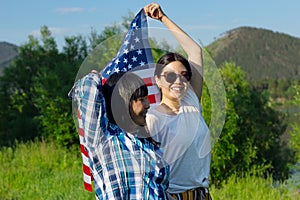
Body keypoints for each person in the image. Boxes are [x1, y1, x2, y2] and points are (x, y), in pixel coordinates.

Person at [144, 3, 212, 200]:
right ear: (157, 80)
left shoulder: (191, 102)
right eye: (170, 76)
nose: (178, 80)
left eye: (183, 75)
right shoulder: (153, 118)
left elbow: (195, 51)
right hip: (172, 196)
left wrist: (163, 18)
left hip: (202, 194)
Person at [68, 71, 170, 199]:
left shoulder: (149, 144)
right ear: (124, 102)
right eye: (141, 99)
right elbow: (87, 90)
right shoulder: (104, 138)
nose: (148, 105)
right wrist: (94, 76)